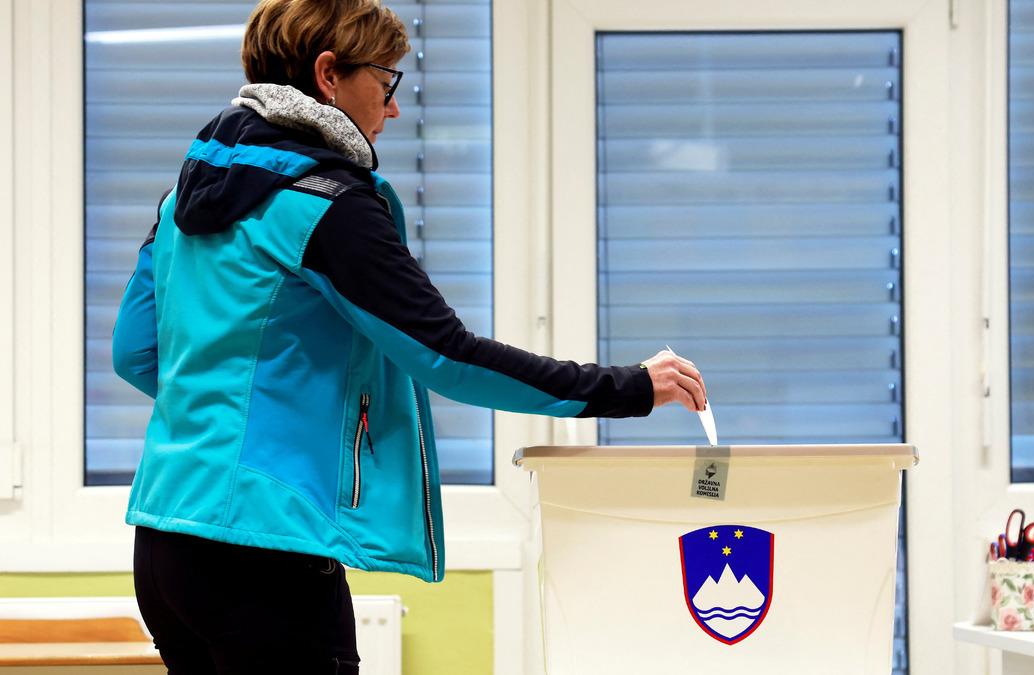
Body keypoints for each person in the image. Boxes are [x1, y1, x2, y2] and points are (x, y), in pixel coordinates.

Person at [109, 0, 707, 672]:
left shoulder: (184, 198)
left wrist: (238, 409)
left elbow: (135, 352)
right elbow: (447, 355)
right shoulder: (324, 203)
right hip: (265, 550)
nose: (393, 108)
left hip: (164, 541)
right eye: (386, 81)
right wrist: (628, 387)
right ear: (329, 75)